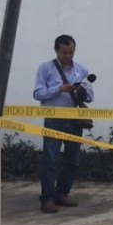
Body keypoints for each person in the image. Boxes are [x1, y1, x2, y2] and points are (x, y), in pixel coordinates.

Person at [33, 35, 94, 214]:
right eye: (64, 52)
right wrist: (59, 89)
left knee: (72, 160)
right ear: (56, 50)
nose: (68, 55)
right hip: (54, 118)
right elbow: (37, 93)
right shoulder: (45, 68)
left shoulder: (82, 69)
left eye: (71, 52)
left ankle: (62, 193)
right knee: (50, 159)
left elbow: (91, 95)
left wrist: (82, 92)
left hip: (75, 118)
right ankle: (47, 198)